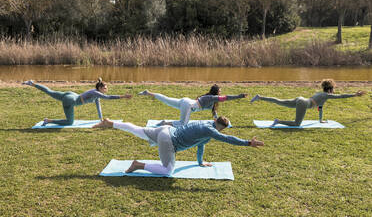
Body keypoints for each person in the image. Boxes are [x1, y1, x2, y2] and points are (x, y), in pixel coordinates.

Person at [93, 116, 263, 176]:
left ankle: (110, 123)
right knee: (168, 170)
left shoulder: (207, 125)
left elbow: (201, 144)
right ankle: (138, 165)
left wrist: (200, 162)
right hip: (168, 140)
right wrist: (248, 142)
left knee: (137, 129)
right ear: (221, 127)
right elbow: (228, 139)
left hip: (166, 130)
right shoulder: (210, 130)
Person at [250, 79, 366, 126]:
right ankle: (278, 121)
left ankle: (260, 97)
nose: (334, 92)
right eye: (333, 90)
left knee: (278, 101)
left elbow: (320, 108)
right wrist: (354, 94)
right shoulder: (326, 95)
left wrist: (320, 120)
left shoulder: (321, 95)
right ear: (330, 90)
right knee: (297, 124)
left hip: (300, 99)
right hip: (303, 103)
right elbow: (341, 96)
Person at [22, 78, 132, 126]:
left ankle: (32, 83)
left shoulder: (96, 94)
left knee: (50, 91)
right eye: (105, 88)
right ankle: (48, 120)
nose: (106, 89)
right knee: (69, 122)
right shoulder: (96, 94)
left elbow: (98, 107)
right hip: (71, 101)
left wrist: (100, 119)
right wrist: (123, 96)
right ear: (100, 88)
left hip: (71, 94)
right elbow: (108, 98)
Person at [138, 84, 247, 127]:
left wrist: (215, 119)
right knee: (182, 124)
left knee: (166, 100)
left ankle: (148, 92)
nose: (220, 93)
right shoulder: (212, 98)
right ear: (216, 92)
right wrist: (240, 96)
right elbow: (227, 97)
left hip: (185, 101)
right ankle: (164, 123)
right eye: (220, 91)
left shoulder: (211, 99)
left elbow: (214, 112)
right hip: (188, 105)